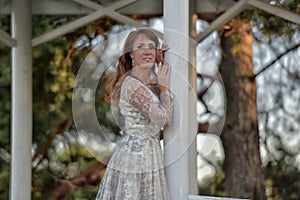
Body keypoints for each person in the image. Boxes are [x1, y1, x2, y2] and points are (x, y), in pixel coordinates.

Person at [96, 28, 173, 200]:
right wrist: (165, 88)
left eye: (151, 46)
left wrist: (161, 62)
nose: (147, 51)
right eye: (141, 46)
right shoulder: (131, 85)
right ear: (131, 53)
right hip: (137, 153)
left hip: (149, 151)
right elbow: (164, 119)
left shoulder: (146, 85)